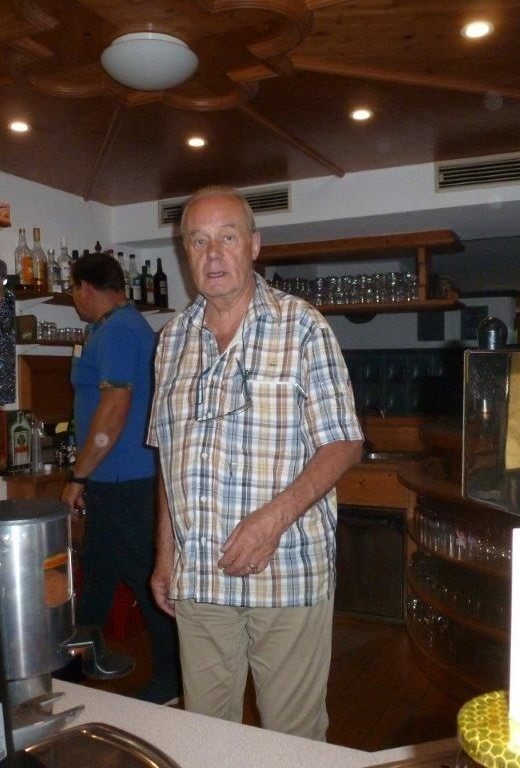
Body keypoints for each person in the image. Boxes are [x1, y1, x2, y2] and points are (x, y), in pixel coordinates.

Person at [147, 186, 363, 739]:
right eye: (199, 241)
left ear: (254, 245)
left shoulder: (304, 327)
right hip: (200, 576)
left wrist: (272, 520)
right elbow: (170, 460)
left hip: (286, 572)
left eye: (228, 237)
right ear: (185, 252)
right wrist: (165, 555)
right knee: (208, 736)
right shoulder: (171, 341)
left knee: (292, 741)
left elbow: (343, 442)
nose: (213, 254)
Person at [61, 250, 180, 705]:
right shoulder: (109, 329)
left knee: (146, 580)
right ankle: (78, 665)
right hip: (114, 478)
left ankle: (172, 679)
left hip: (127, 480)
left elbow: (115, 408)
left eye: (74, 289)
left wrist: (77, 476)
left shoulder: (120, 331)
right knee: (99, 571)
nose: (74, 298)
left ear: (87, 287)